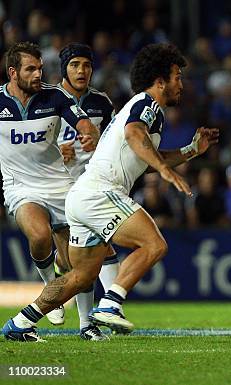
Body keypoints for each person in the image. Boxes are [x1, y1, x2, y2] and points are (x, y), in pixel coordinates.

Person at [2, 43, 219, 342]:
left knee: (80, 276)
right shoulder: (147, 105)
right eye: (177, 77)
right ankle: (111, 303)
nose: (181, 83)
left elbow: (146, 155)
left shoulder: (139, 108)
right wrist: (168, 172)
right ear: (160, 81)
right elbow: (134, 135)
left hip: (80, 196)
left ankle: (20, 322)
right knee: (154, 245)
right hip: (101, 192)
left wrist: (192, 150)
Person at [0, 41, 99, 340]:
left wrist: (87, 133)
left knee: (78, 261)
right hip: (20, 187)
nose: (37, 74)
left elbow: (82, 121)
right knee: (40, 236)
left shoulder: (55, 96)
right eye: (30, 69)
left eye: (40, 68)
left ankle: (87, 325)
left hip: (60, 185)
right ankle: (49, 288)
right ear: (13, 72)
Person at [54, 43, 118, 341]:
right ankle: (97, 316)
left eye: (87, 65)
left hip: (90, 188)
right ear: (64, 68)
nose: (82, 71)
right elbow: (28, 147)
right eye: (75, 64)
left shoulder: (102, 104)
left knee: (95, 254)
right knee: (84, 259)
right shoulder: (48, 101)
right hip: (54, 187)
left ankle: (103, 313)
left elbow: (116, 143)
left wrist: (100, 145)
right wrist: (57, 152)